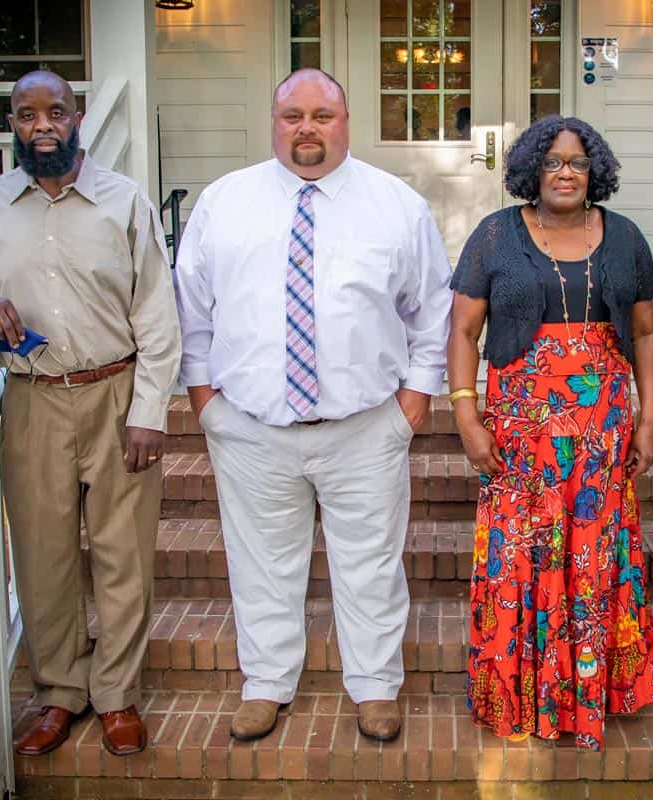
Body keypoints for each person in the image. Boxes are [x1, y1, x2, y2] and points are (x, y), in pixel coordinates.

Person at [173, 68, 452, 743]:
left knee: (371, 562)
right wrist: (206, 401)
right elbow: (193, 309)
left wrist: (413, 399)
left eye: (322, 115)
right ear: (274, 122)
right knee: (261, 562)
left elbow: (432, 308)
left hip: (363, 426)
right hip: (249, 426)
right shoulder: (224, 202)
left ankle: (376, 685)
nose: (307, 128)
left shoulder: (396, 206)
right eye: (293, 115)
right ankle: (266, 683)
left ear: (345, 121)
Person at [0, 71, 181, 757]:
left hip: (116, 394)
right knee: (42, 553)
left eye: (55, 112)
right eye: (27, 114)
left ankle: (117, 694)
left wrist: (150, 409)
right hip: (35, 398)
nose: (42, 125)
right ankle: (59, 693)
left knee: (123, 553)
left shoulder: (123, 202)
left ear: (78, 117)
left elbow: (157, 313)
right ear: (13, 123)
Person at [448, 115, 653, 750]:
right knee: (523, 557)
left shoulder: (625, 239)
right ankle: (520, 693)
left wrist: (650, 418)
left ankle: (589, 693)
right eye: (552, 162)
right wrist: (466, 415)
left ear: (594, 169)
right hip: (519, 434)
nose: (565, 173)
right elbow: (462, 331)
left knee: (595, 555)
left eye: (576, 161)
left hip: (600, 432)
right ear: (531, 172)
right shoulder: (495, 236)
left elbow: (646, 333)